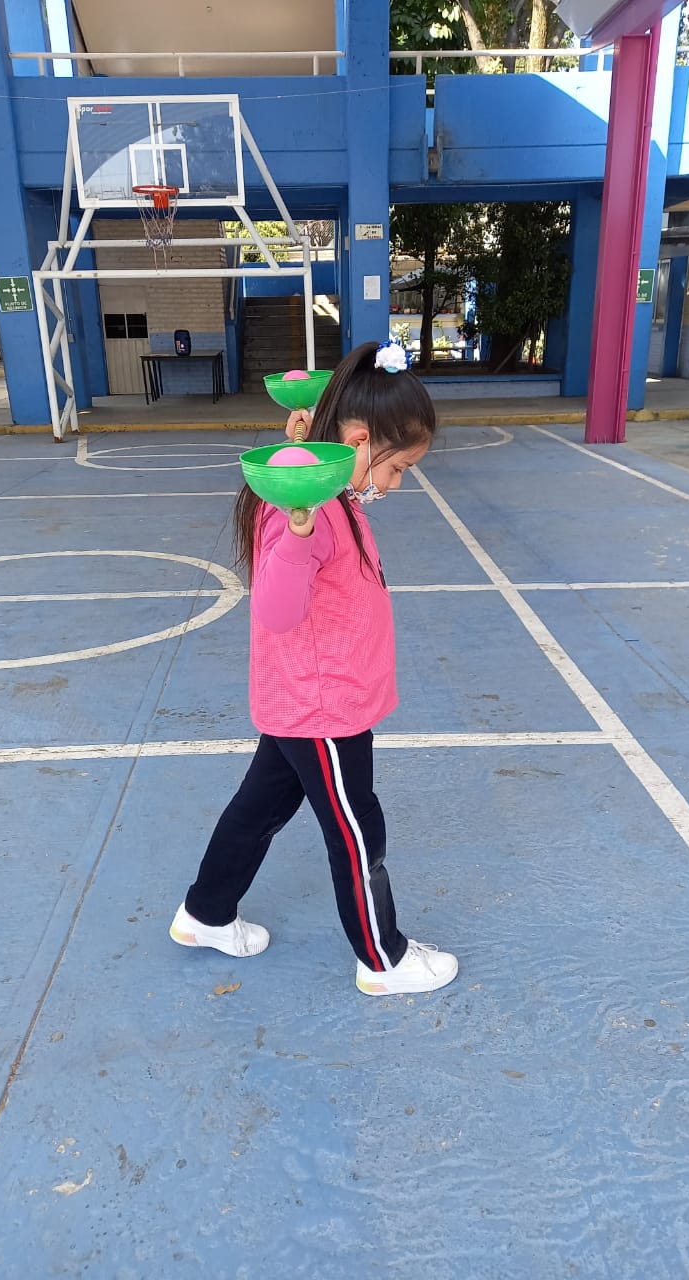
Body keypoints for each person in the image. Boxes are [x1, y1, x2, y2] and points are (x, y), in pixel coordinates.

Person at [170, 340, 458, 996]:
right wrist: (297, 529)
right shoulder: (310, 510)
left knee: (258, 807)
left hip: (305, 698)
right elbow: (275, 608)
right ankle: (382, 959)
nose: (396, 483)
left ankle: (205, 913)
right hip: (323, 707)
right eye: (397, 468)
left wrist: (299, 452)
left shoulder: (327, 490)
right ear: (359, 442)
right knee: (356, 830)